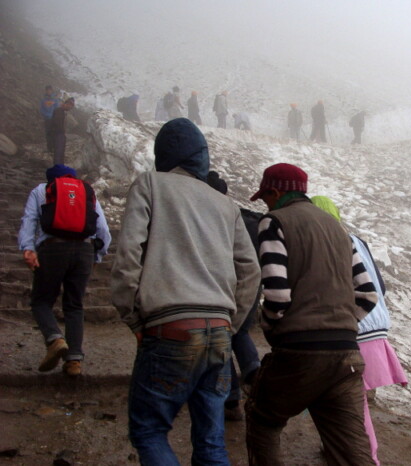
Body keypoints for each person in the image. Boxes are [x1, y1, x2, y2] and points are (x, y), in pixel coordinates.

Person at [111, 118, 260, 465]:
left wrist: (133, 317)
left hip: (169, 329)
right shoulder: (226, 205)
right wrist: (231, 324)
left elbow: (128, 255)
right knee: (211, 442)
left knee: (149, 431)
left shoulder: (150, 184)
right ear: (201, 156)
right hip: (220, 333)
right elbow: (250, 271)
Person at [245, 163, 378, 465]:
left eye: (265, 196)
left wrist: (270, 326)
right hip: (347, 355)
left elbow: (277, 296)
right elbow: (368, 294)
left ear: (275, 191)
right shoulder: (339, 229)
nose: (265, 204)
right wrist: (340, 325)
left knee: (261, 419)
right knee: (351, 450)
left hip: (300, 352)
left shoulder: (274, 222)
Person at [311, 196, 408, 465]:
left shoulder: (326, 242)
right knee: (355, 402)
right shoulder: (357, 240)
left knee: (351, 407)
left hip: (354, 330)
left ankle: (367, 458)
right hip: (376, 325)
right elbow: (380, 286)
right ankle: (341, 450)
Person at [18, 164, 111, 376]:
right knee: (74, 305)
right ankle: (74, 361)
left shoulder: (41, 190)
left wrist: (28, 248)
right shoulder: (85, 190)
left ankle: (55, 338)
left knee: (41, 301)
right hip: (84, 250)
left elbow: (30, 220)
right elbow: (103, 228)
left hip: (53, 248)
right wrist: (97, 254)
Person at [206, 171, 262, 421]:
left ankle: (231, 400)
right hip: (252, 286)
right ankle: (255, 375)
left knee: (221, 337)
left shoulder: (212, 216)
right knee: (239, 332)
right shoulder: (240, 214)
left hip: (225, 286)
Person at [51, 98, 75, 165]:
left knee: (60, 153)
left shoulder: (62, 112)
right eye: (70, 105)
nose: (70, 108)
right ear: (66, 104)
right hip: (58, 134)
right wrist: (61, 132)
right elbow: (57, 124)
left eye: (71, 106)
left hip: (60, 134)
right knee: (58, 153)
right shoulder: (59, 111)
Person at [40, 85, 60, 153]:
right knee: (48, 133)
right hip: (47, 119)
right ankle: (49, 148)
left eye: (49, 90)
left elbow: (57, 109)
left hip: (53, 119)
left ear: (51, 91)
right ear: (46, 91)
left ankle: (54, 147)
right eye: (47, 90)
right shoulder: (43, 100)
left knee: (53, 133)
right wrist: (46, 115)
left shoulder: (55, 99)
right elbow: (41, 109)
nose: (48, 91)